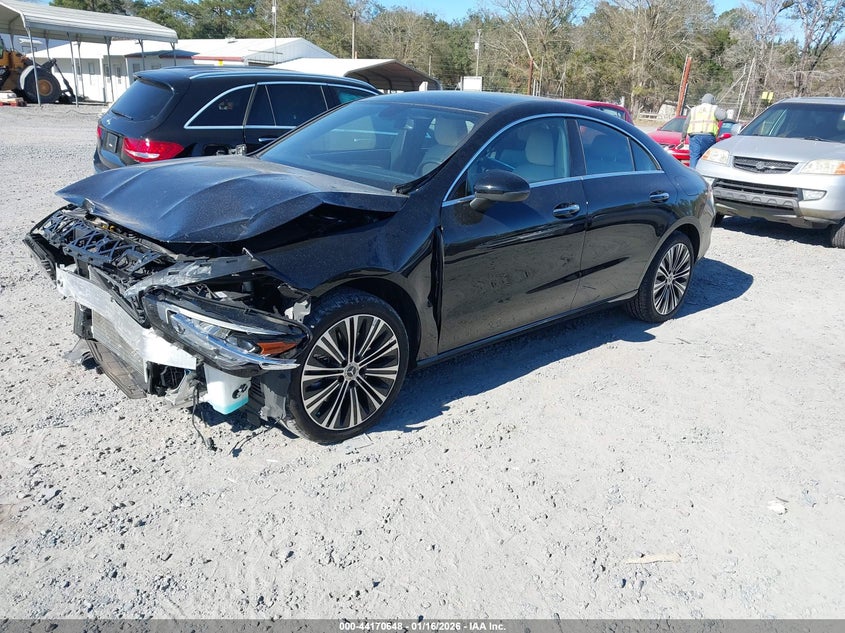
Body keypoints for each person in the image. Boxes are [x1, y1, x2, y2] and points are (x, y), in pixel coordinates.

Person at [683, 93, 726, 169]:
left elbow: (686, 124)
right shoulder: (714, 108)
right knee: (706, 157)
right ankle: (703, 172)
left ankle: (693, 173)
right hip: (708, 137)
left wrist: (683, 136)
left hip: (694, 137)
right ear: (712, 100)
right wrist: (722, 110)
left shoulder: (694, 109)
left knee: (694, 157)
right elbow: (723, 117)